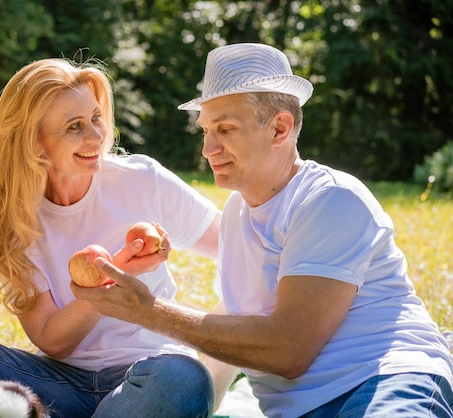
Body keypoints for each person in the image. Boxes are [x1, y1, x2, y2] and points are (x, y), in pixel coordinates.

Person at [71, 43, 453, 417]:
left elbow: (288, 350)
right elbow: (232, 333)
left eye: (225, 129)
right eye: (205, 131)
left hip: (384, 382)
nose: (208, 149)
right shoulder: (238, 212)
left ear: (280, 128)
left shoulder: (329, 200)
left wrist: (148, 311)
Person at [0, 57, 224, 418]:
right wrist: (114, 280)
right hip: (56, 387)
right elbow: (53, 340)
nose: (96, 136)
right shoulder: (12, 220)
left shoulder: (142, 180)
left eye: (96, 118)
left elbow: (235, 246)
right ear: (34, 142)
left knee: (184, 377)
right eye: (74, 127)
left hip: (148, 379)